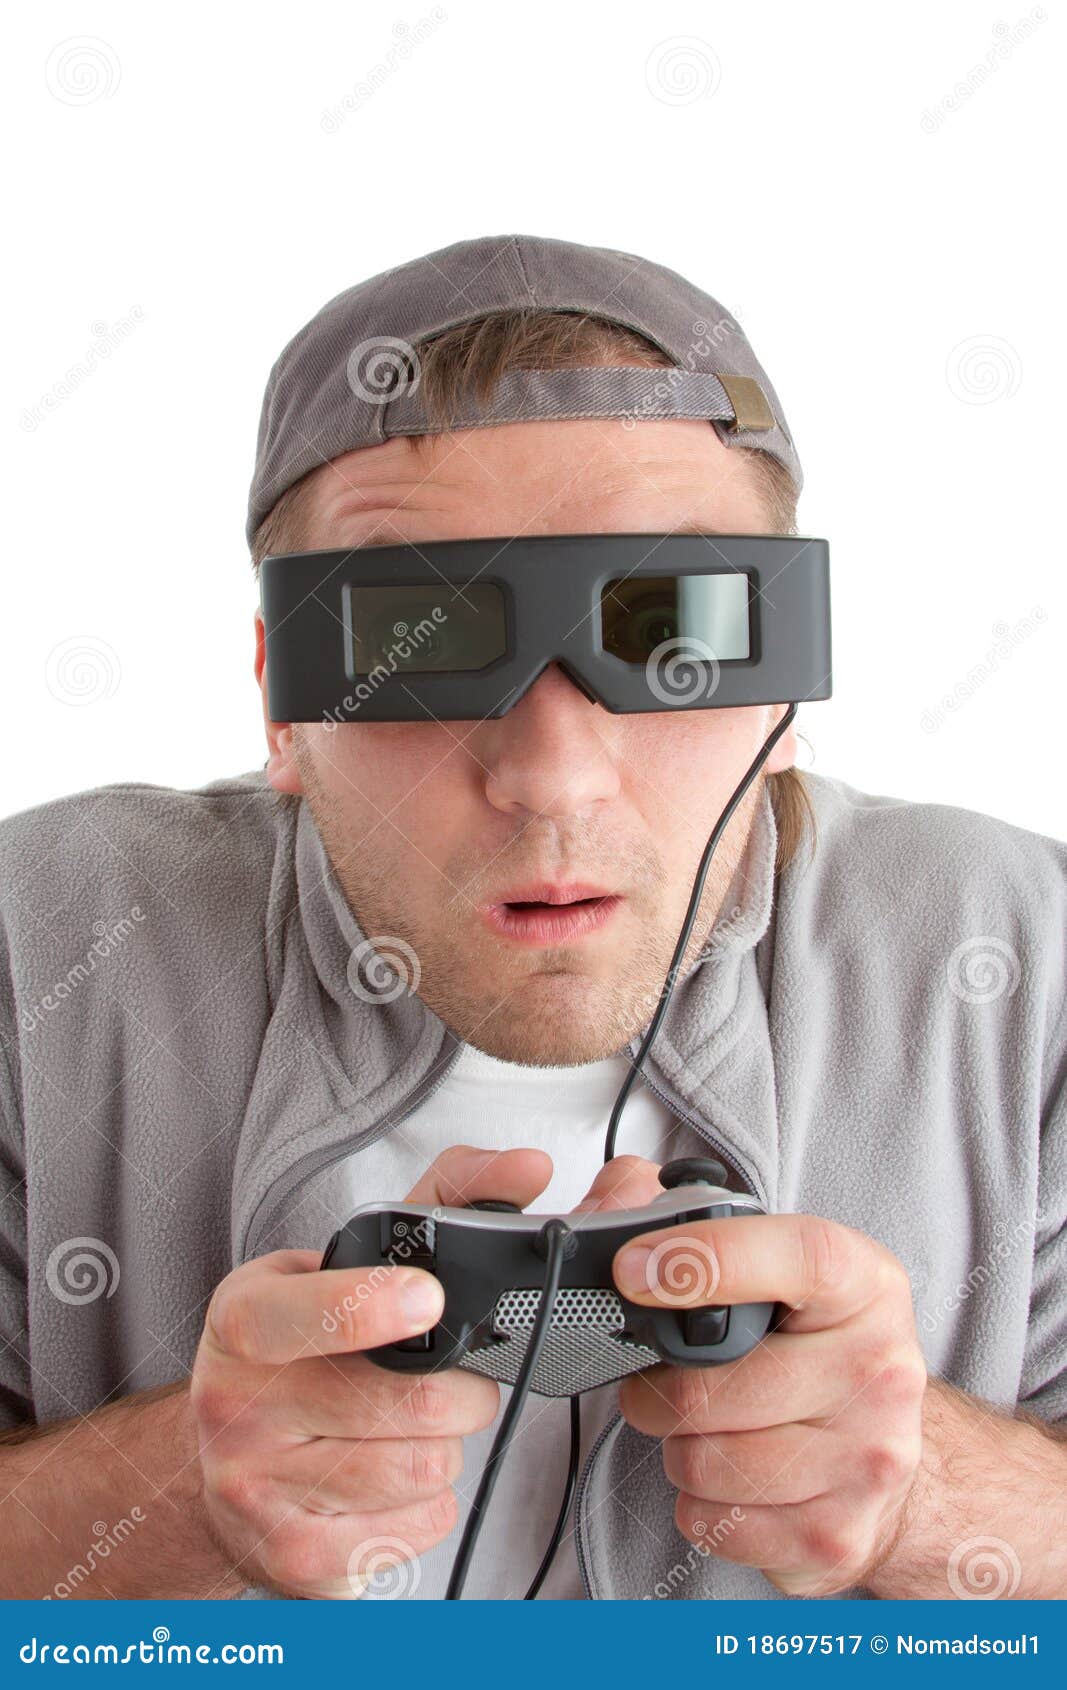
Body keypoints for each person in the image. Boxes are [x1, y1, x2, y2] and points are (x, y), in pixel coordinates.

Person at [0, 235, 1063, 1603]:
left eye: (674, 627)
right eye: (420, 640)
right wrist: (163, 1494)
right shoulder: (43, 952)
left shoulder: (1025, 975)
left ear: (788, 689)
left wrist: (938, 1492)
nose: (553, 776)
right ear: (282, 703)